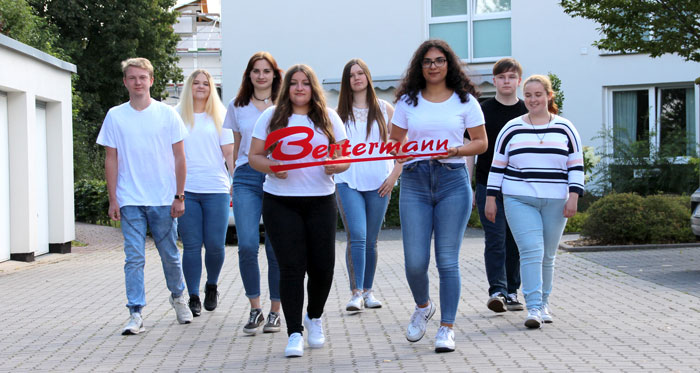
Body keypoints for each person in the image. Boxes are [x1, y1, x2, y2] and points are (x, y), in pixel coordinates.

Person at [390, 40, 487, 353]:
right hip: (415, 181)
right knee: (415, 262)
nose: (433, 66)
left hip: (451, 181)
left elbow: (481, 142)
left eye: (440, 60)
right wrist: (401, 151)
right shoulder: (408, 101)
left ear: (449, 64)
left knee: (447, 260)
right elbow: (394, 143)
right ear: (420, 66)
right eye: (427, 61)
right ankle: (423, 306)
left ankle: (447, 327)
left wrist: (456, 149)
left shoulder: (465, 101)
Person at [248, 64, 349, 358]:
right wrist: (272, 166)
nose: (300, 88)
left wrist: (336, 165)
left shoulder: (329, 118)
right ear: (286, 88)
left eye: (305, 83)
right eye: (294, 83)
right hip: (280, 201)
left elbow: (345, 159)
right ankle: (294, 332)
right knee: (291, 267)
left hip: (320, 200)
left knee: (323, 267)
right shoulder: (271, 117)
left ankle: (314, 316)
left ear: (313, 87)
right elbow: (254, 157)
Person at [97, 57, 193, 335]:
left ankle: (178, 297)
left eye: (142, 77)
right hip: (130, 200)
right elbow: (111, 159)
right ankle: (135, 312)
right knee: (134, 257)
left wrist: (180, 195)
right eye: (132, 77)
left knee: (170, 255)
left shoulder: (167, 114)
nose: (138, 82)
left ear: (151, 80)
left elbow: (180, 158)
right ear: (125, 81)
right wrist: (113, 198)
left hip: (163, 198)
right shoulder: (115, 116)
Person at [485, 74, 584, 329]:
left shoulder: (565, 127)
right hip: (519, 198)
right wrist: (491, 198)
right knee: (531, 251)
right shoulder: (512, 128)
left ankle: (545, 303)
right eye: (528, 95)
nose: (532, 100)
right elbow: (497, 166)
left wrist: (574, 196)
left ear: (549, 96)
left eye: (538, 94)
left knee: (548, 256)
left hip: (556, 200)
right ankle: (534, 307)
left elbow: (576, 165)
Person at [223, 52, 283, 335]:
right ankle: (254, 308)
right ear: (249, 75)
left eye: (266, 71)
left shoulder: (286, 105)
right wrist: (234, 176)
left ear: (274, 74)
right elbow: (235, 146)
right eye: (256, 71)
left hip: (278, 177)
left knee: (275, 248)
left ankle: (275, 311)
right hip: (247, 176)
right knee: (247, 244)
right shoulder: (237, 106)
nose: (261, 75)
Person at [335, 59, 401, 312]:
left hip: (379, 183)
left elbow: (402, 148)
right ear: (346, 81)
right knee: (358, 236)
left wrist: (394, 175)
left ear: (368, 77)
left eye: (361, 73)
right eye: (351, 75)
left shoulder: (385, 110)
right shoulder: (338, 114)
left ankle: (369, 291)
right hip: (347, 181)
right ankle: (356, 293)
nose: (357, 78)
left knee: (371, 240)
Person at [466, 58, 527, 313]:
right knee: (495, 239)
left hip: (520, 186)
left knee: (515, 241)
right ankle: (497, 291)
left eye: (511, 77)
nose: (506, 81)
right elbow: (471, 150)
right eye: (501, 77)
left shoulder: (526, 112)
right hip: (487, 185)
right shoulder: (482, 110)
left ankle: (513, 290)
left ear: (518, 81)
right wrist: (467, 184)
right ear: (494, 81)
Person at [175, 69, 233, 317]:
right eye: (196, 83)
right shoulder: (176, 116)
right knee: (190, 245)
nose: (201, 87)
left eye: (205, 84)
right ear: (189, 86)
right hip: (186, 190)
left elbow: (229, 153)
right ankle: (194, 295)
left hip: (216, 189)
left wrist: (235, 181)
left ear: (212, 89)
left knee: (215, 245)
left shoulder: (220, 116)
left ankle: (212, 285)